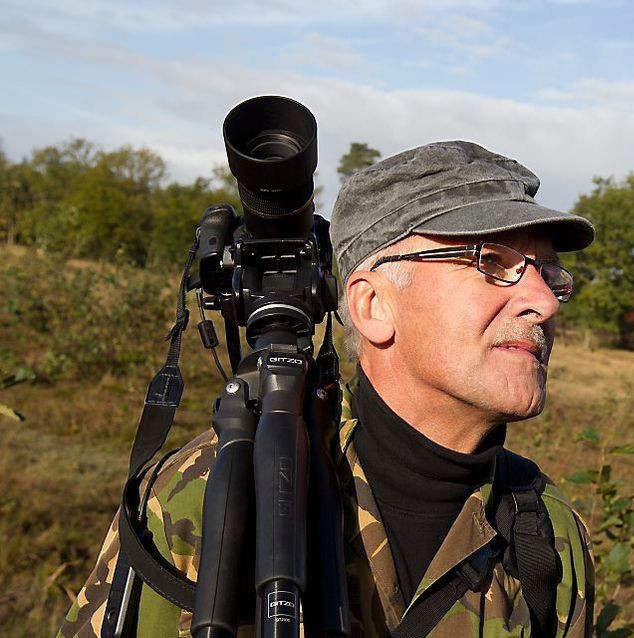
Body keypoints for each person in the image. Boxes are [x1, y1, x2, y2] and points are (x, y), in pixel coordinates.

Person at [59, 140, 596, 637]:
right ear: (372, 305)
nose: (545, 304)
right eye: (492, 263)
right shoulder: (213, 491)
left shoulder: (547, 532)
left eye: (548, 274)